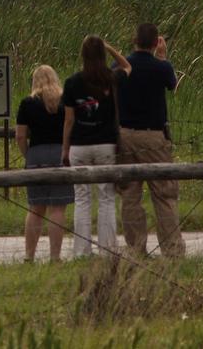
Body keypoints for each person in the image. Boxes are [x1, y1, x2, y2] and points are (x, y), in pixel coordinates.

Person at [114, 23, 185, 257]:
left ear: (134, 40)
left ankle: (136, 249)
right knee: (164, 193)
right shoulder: (160, 67)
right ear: (156, 43)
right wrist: (163, 58)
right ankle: (172, 250)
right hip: (154, 135)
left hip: (125, 135)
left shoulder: (121, 64)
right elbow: (172, 84)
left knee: (130, 195)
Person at [60, 35, 123, 258]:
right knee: (106, 197)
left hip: (80, 144)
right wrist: (111, 47)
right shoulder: (112, 79)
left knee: (82, 198)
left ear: (83, 55)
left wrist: (65, 148)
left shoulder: (72, 82)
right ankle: (108, 249)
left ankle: (81, 250)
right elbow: (128, 67)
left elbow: (69, 120)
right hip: (106, 143)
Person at [15, 64, 73, 263]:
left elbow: (20, 135)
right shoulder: (65, 103)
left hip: (37, 154)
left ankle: (29, 256)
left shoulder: (27, 103)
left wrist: (28, 154)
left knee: (35, 208)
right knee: (57, 208)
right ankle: (55, 256)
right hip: (60, 152)